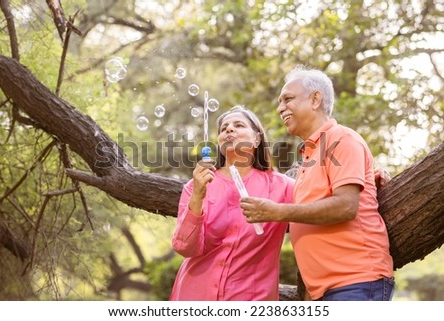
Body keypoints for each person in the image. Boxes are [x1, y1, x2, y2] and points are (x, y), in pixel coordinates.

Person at [241, 65, 395, 301]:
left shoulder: (342, 139)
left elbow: (346, 206)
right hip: (327, 291)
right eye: (280, 102)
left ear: (315, 99)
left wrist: (277, 212)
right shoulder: (309, 157)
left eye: (288, 99)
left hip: (355, 283)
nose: (280, 108)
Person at [169, 105, 295, 300]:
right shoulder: (196, 186)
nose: (229, 129)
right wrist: (197, 196)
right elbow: (185, 248)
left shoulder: (281, 187)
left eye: (238, 125)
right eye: (223, 128)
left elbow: (318, 209)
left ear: (257, 139)